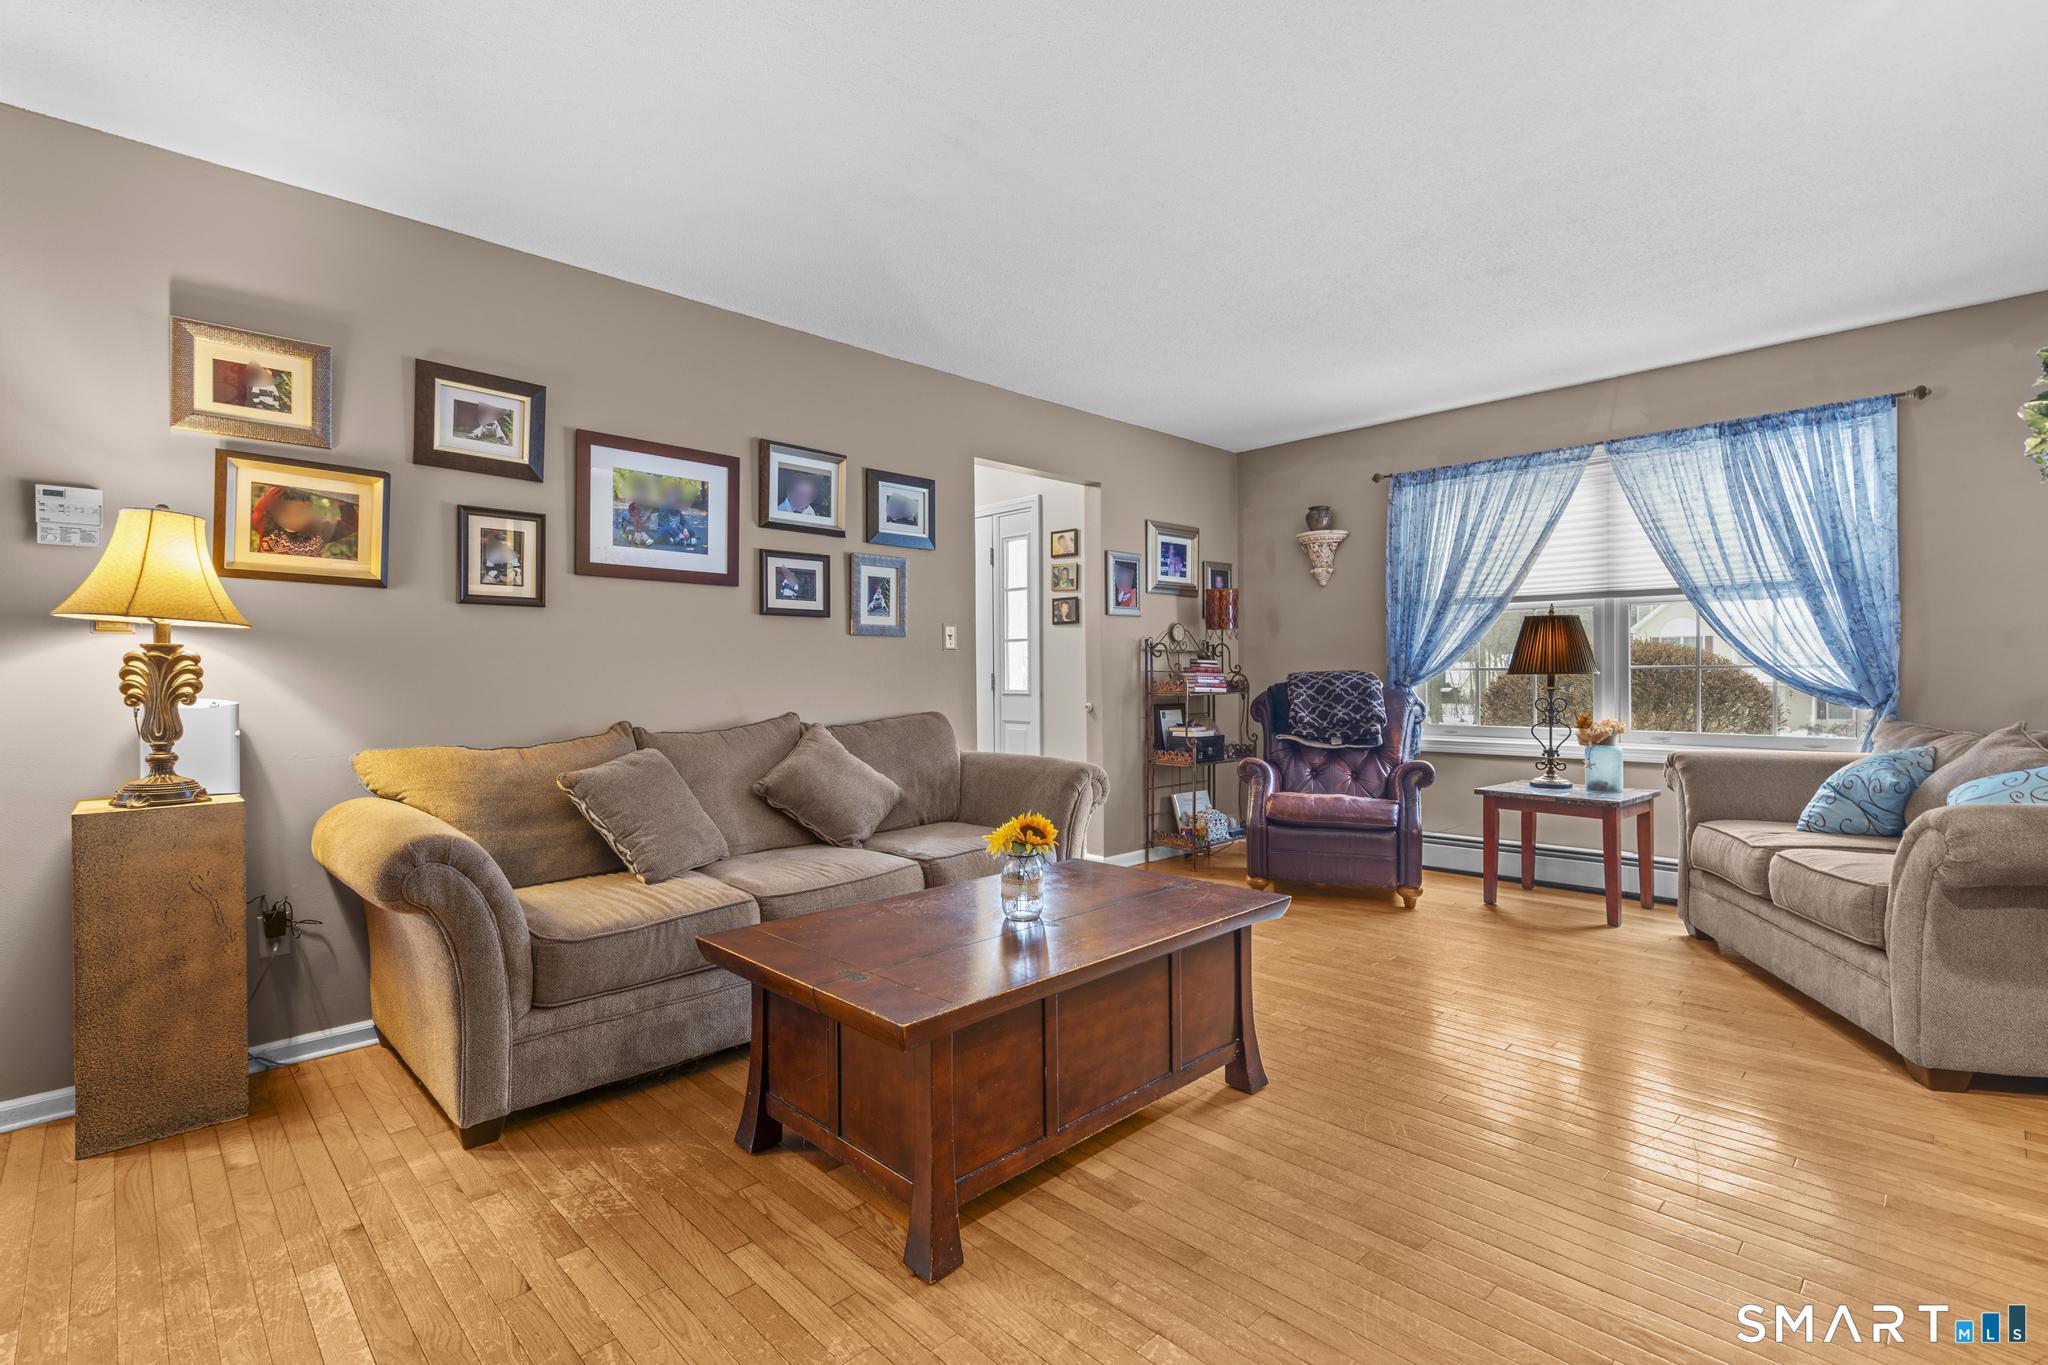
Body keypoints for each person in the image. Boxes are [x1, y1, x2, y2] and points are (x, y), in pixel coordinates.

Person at [251, 484, 355, 558]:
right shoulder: (266, 524)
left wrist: (344, 505)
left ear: (310, 512)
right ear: (275, 512)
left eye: (300, 512)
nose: (292, 518)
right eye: (284, 511)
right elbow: (261, 507)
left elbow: (350, 525)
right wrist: (283, 485)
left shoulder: (320, 530)